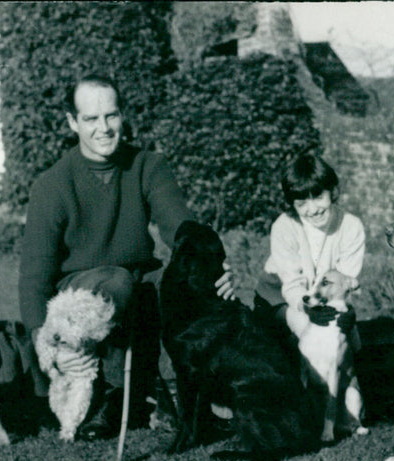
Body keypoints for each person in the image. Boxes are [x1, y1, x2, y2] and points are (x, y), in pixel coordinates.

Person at [19, 74, 234, 441]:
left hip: (138, 279)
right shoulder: (52, 185)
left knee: (180, 279)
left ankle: (183, 392)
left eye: (112, 116)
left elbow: (179, 226)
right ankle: (110, 395)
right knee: (116, 283)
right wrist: (50, 347)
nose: (104, 128)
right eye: (91, 118)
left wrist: (212, 265)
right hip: (83, 290)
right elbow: (34, 277)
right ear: (72, 122)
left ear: (122, 115)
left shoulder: (148, 165)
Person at [254, 151, 364, 349]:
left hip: (322, 298)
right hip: (280, 299)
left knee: (352, 343)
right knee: (310, 334)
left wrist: (345, 310)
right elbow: (291, 285)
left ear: (332, 190)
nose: (312, 209)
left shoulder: (351, 226)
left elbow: (345, 281)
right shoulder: (284, 226)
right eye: (301, 203)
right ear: (292, 204)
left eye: (318, 197)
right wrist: (307, 309)